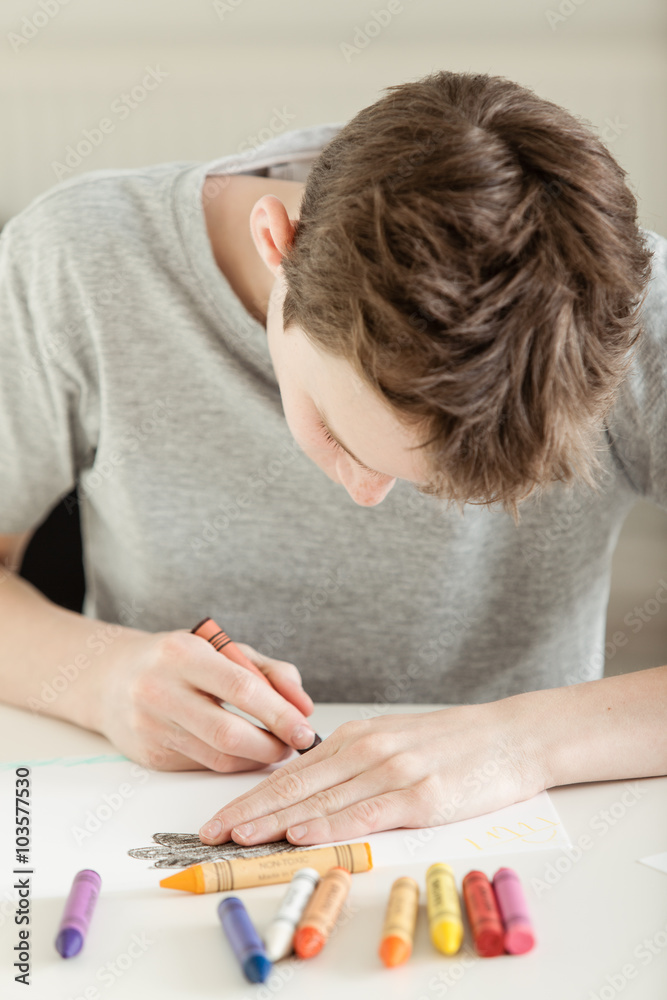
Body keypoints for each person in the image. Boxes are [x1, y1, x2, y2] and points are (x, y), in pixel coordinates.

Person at [0, 71, 665, 851]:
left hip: (511, 837)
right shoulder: (77, 261)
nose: (365, 497)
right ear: (275, 244)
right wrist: (97, 676)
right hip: (152, 814)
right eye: (342, 438)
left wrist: (521, 741)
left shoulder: (630, 315)